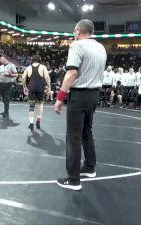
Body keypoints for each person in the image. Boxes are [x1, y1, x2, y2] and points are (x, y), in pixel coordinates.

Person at [54, 19, 107, 191]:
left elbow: (71, 73)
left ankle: (74, 179)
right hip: (94, 95)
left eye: (74, 31)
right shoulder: (100, 47)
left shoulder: (77, 46)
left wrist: (60, 97)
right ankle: (90, 167)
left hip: (79, 95)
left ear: (78, 31)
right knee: (86, 131)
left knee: (73, 136)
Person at [22, 55, 51, 131]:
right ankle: (38, 121)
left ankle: (31, 123)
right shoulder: (43, 67)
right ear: (40, 60)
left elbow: (23, 77)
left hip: (31, 87)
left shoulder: (28, 68)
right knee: (40, 104)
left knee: (31, 106)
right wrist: (49, 87)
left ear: (32, 60)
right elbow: (47, 77)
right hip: (40, 87)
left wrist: (24, 87)